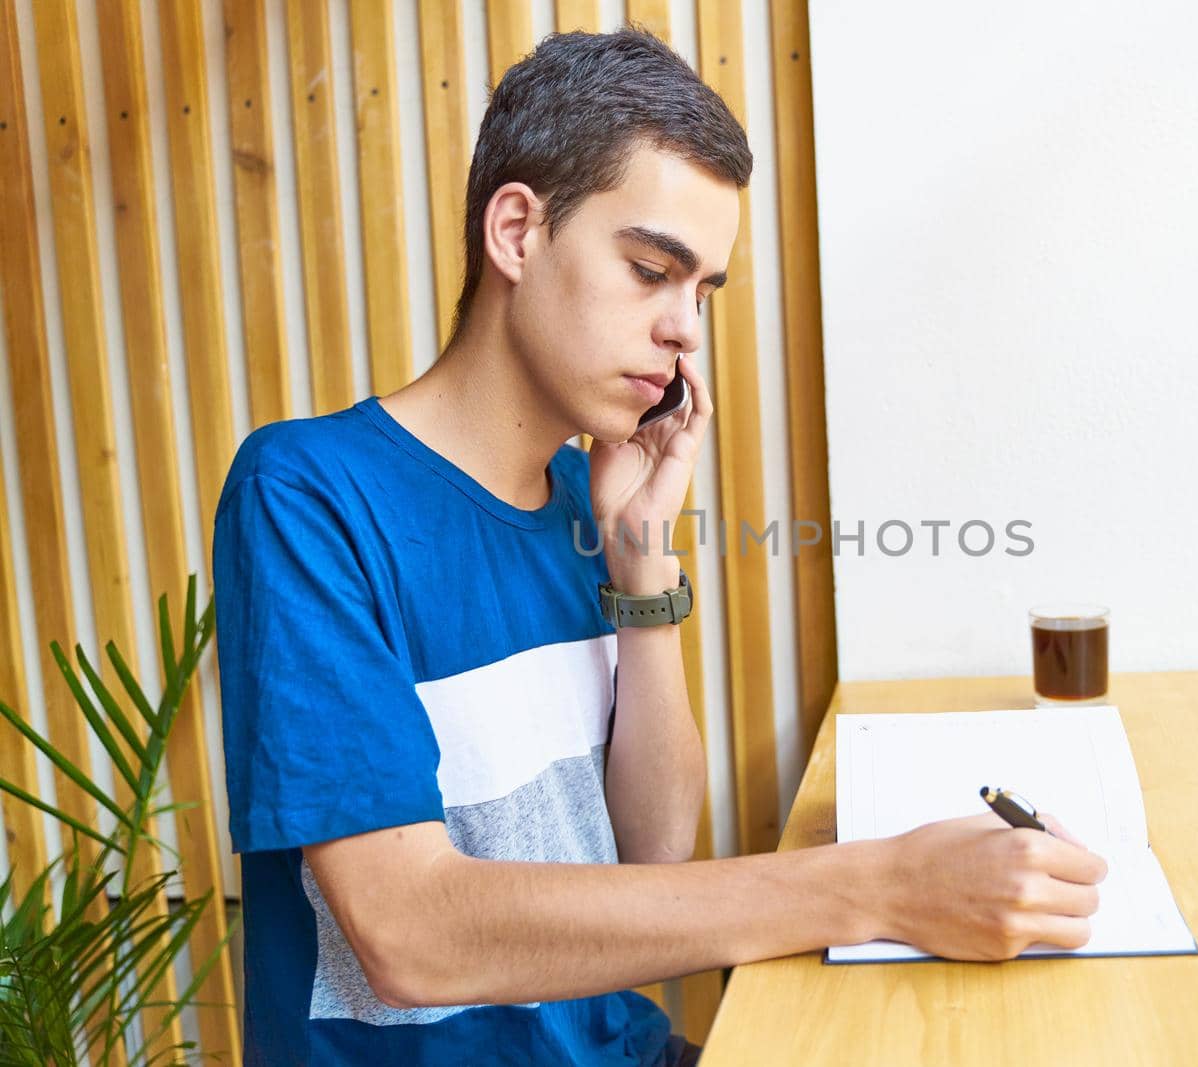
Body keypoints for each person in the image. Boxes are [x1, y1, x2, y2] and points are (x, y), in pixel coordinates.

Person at [213, 27, 1106, 1067]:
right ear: (515, 231)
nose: (684, 327)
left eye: (702, 292)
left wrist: (642, 565)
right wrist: (874, 885)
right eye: (650, 270)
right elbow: (412, 931)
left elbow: (649, 847)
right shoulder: (309, 491)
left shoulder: (579, 498)